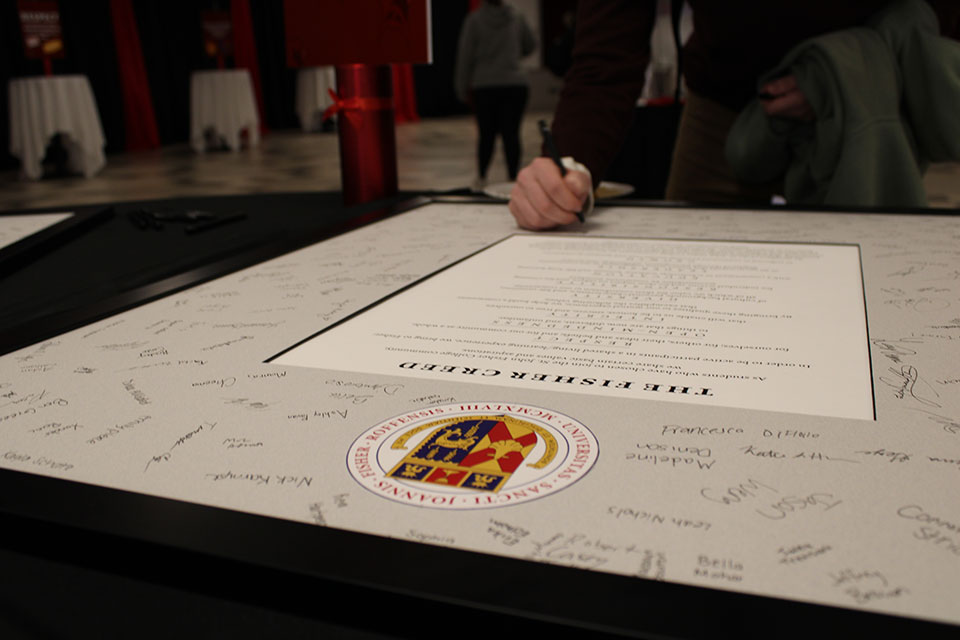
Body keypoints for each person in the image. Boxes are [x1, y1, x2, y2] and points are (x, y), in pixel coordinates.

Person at [508, 0, 960, 230]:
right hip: (720, 110)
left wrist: (830, 74)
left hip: (859, 105)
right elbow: (607, 53)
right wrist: (568, 163)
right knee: (687, 282)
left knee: (869, 287)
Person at [455, 0, 537, 190]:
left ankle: (482, 177)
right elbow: (531, 44)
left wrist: (461, 87)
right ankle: (512, 178)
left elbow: (465, 56)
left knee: (486, 135)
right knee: (512, 134)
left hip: (485, 85)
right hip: (514, 84)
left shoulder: (474, 20)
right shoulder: (517, 16)